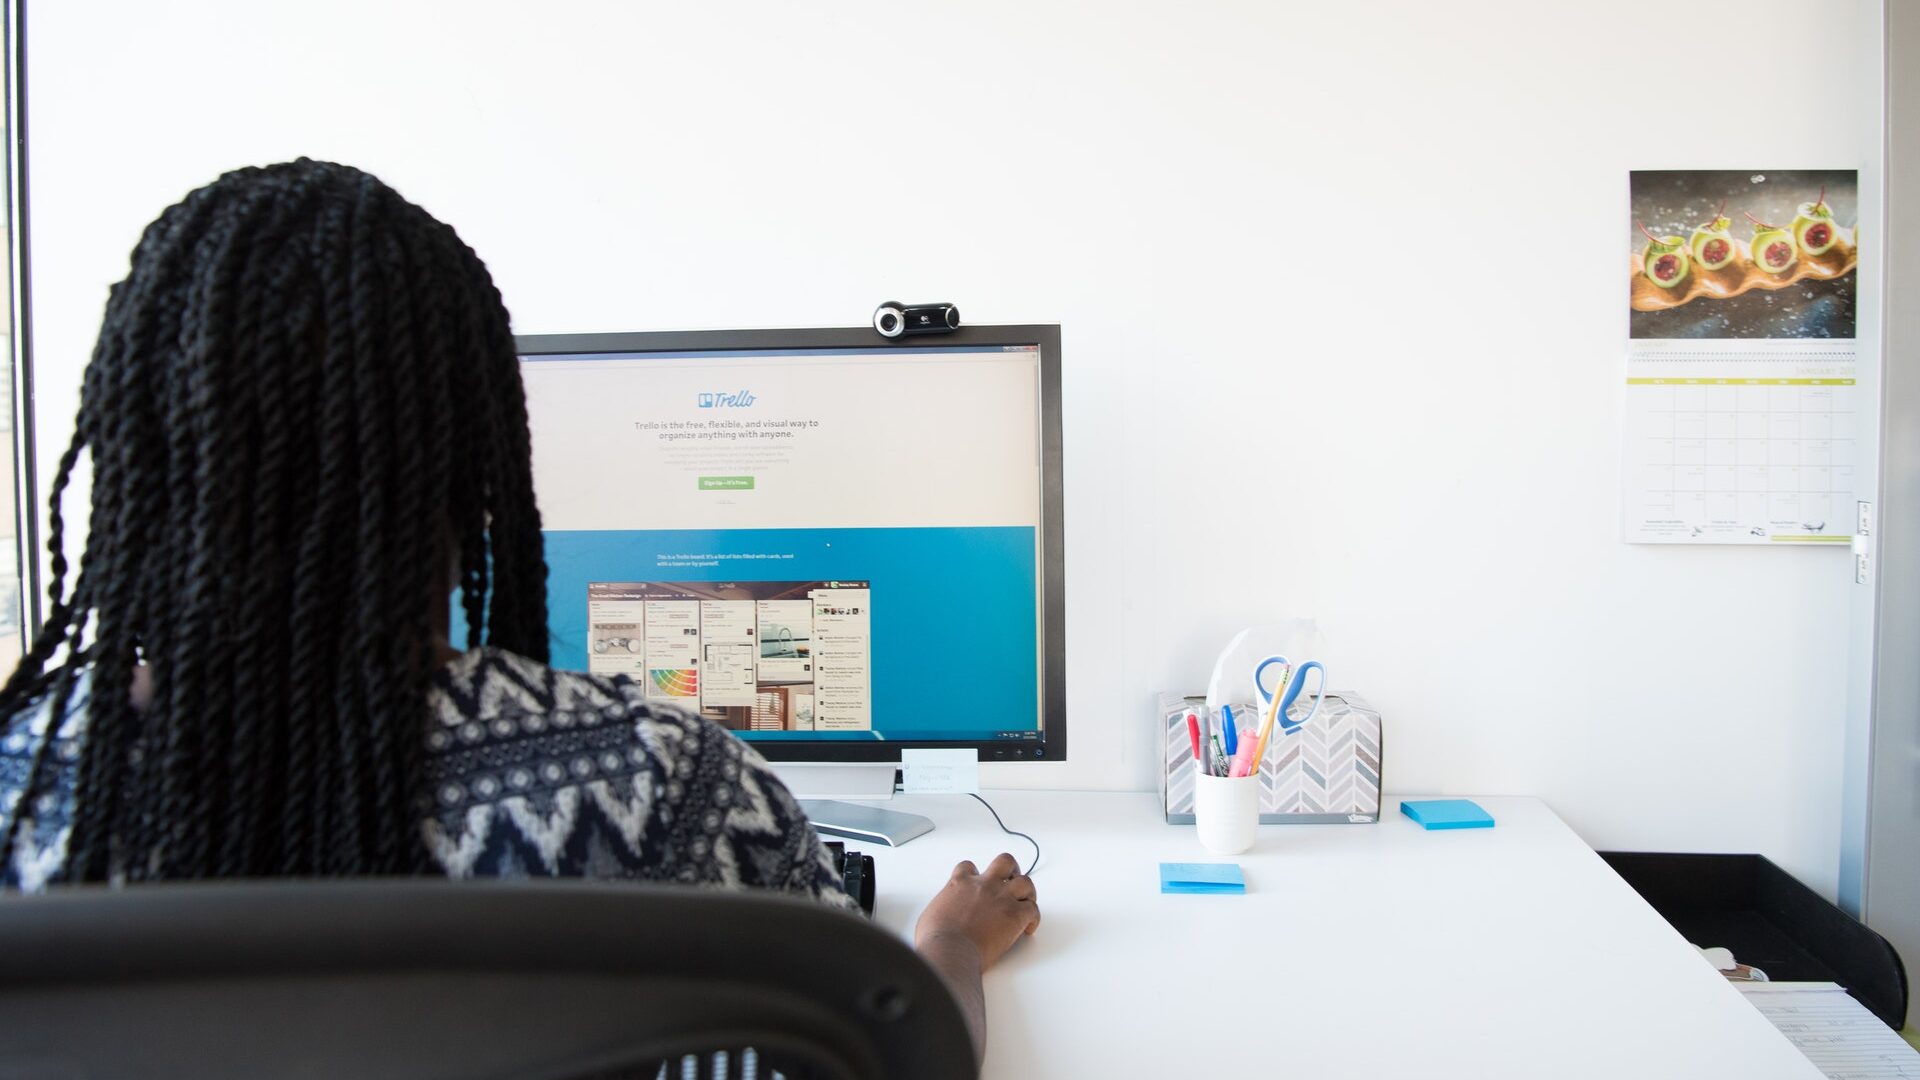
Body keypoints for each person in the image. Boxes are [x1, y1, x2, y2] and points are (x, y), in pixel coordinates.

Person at [0, 159, 1037, 1057]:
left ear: (135, 451)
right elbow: (881, 1057)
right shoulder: (667, 787)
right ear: (470, 463)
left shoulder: (23, 792)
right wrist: (945, 945)